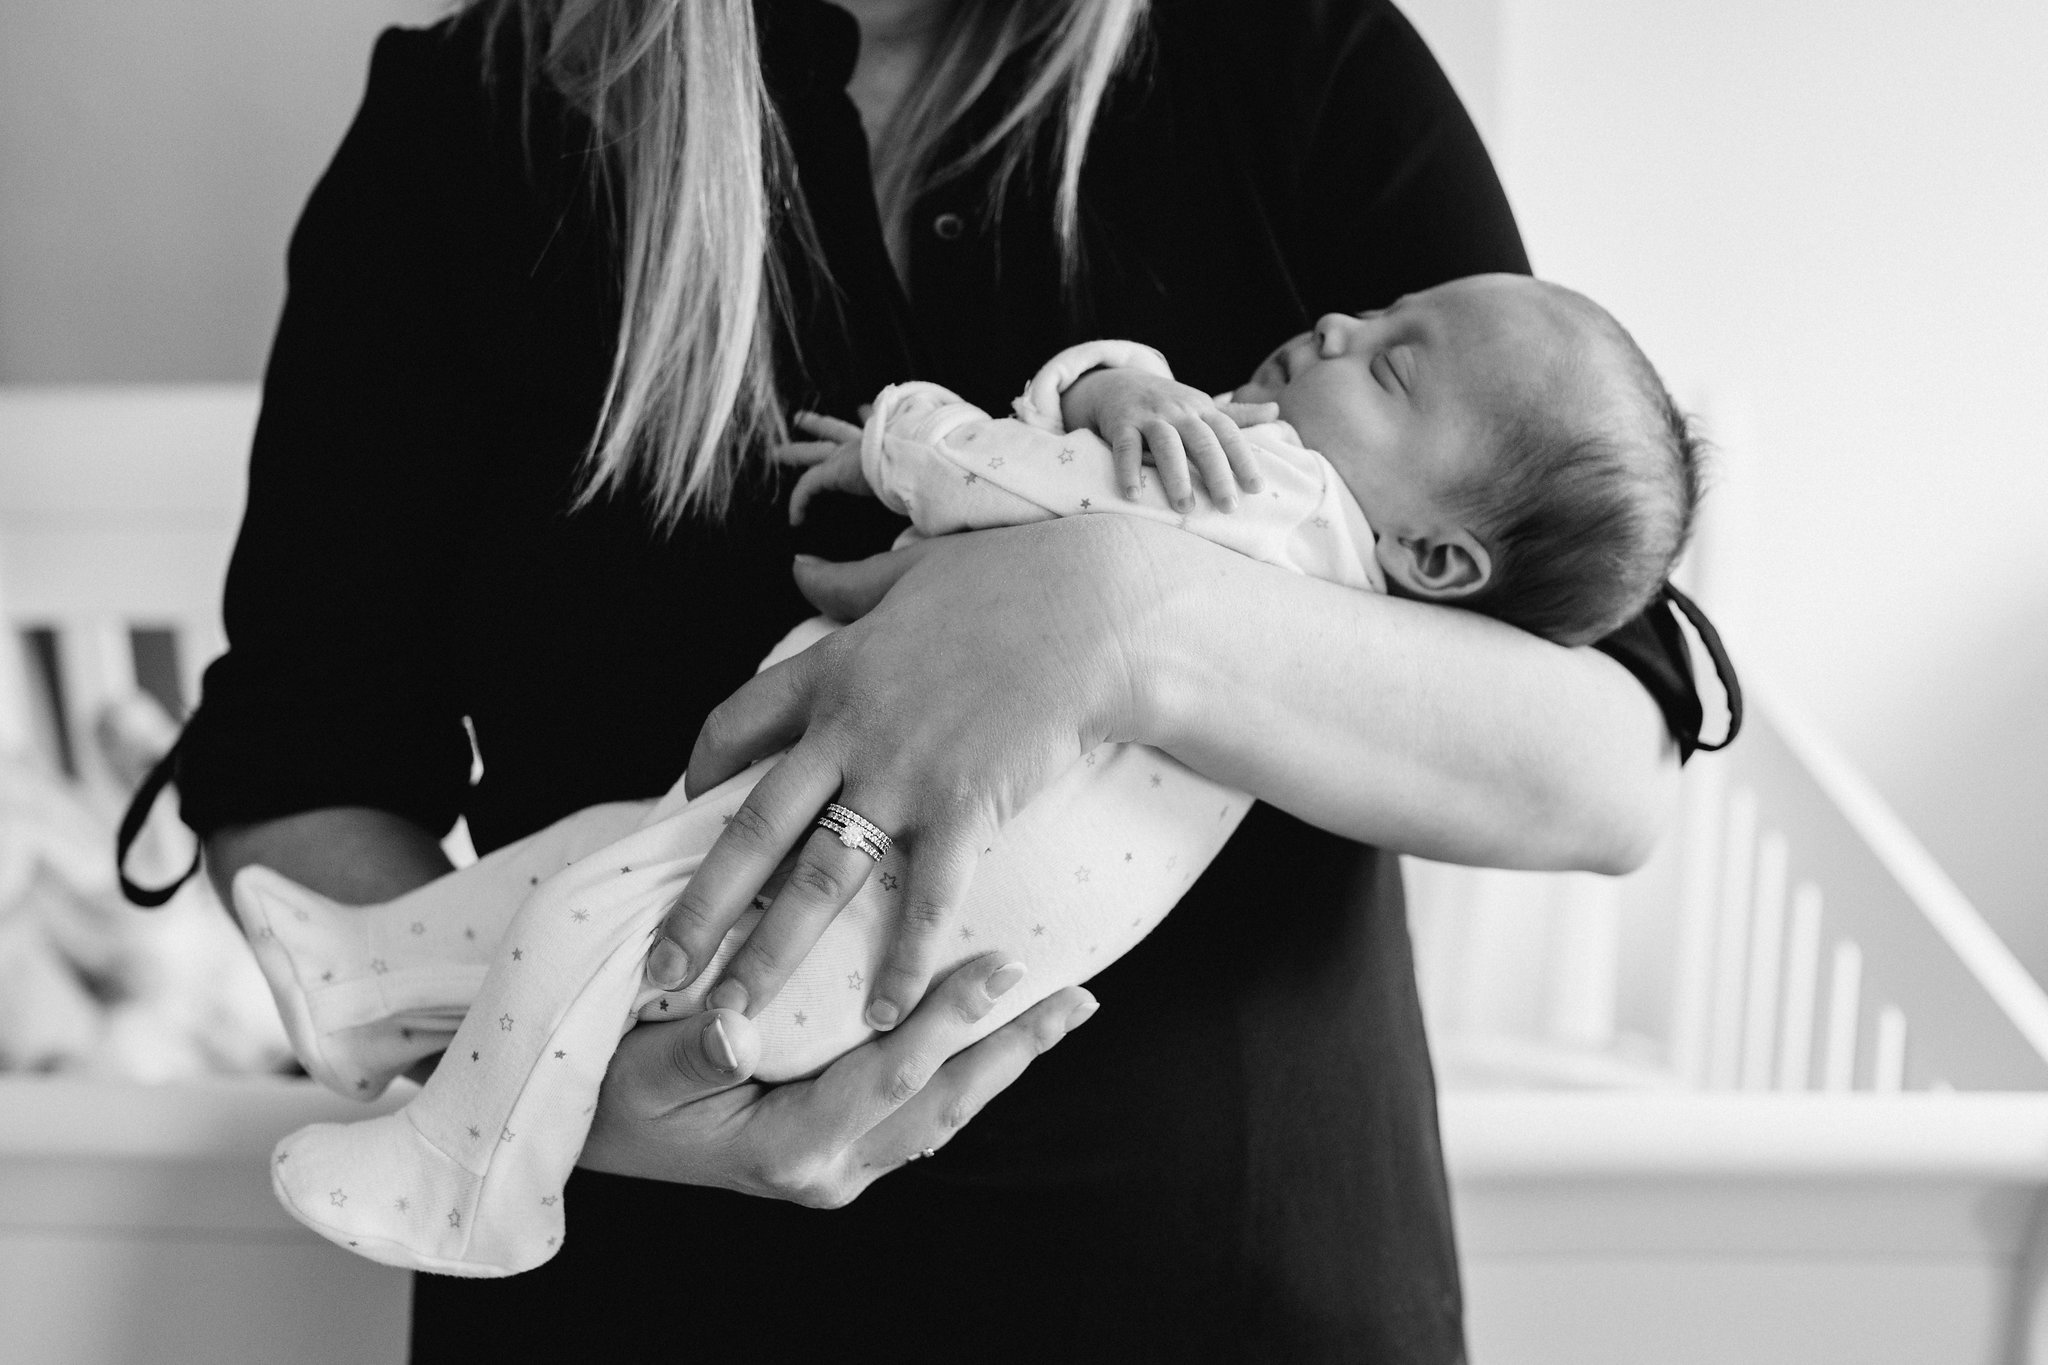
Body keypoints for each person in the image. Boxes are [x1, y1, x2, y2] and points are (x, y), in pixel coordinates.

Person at [171, 0, 1724, 1357]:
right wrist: (568, 1101)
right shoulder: (472, 132)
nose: (1348, 342)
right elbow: (301, 760)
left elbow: (1600, 757)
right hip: (655, 1298)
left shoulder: (1290, 54)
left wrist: (1120, 614)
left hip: (1233, 1302)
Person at [240, 275, 1703, 1276]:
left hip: (927, 991)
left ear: (1445, 557)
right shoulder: (1329, 544)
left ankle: (472, 1169)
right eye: (1377, 310)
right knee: (588, 875)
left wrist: (905, 441)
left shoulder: (1279, 496)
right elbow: (306, 727)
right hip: (845, 1032)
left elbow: (1018, 480)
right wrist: (1121, 383)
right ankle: (374, 986)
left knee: (579, 909)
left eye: (1389, 357)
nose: (1334, 319)